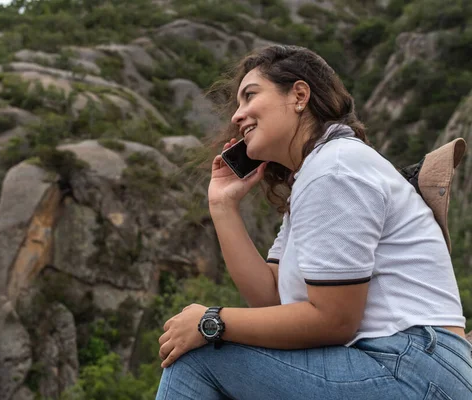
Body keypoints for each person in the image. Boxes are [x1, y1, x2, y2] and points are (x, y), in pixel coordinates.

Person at [155, 44, 472, 400]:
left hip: (411, 366)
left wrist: (210, 321)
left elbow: (334, 320)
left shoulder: (335, 169)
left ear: (299, 95)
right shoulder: (316, 175)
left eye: (250, 96)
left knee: (198, 360)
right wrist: (223, 206)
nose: (237, 116)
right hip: (403, 365)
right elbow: (271, 297)